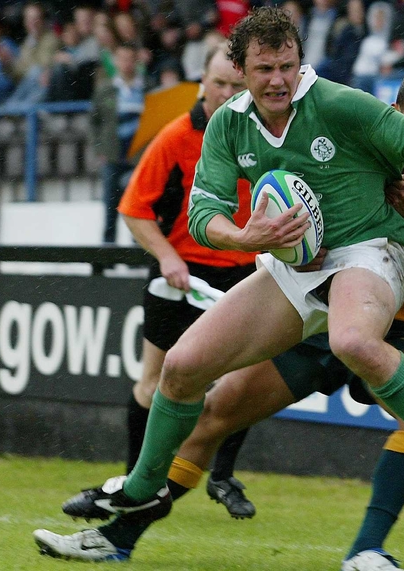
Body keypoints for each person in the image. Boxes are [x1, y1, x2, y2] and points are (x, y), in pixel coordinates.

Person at [33, 7, 404, 563]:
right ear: (242, 70)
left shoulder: (345, 106)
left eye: (288, 66)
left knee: (359, 343)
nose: (278, 79)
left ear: (302, 64)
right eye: (265, 68)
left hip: (369, 262)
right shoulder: (231, 123)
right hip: (293, 269)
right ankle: (135, 498)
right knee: (183, 370)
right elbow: (205, 215)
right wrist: (250, 235)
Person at [115, 42, 258, 518]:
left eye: (237, 86)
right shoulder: (175, 136)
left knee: (239, 385)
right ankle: (136, 481)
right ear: (201, 83)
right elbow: (134, 210)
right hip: (181, 275)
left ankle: (221, 475)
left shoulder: (265, 135)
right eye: (219, 83)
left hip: (243, 272)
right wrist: (167, 257)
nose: (227, 93)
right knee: (154, 382)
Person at [90, 43, 154, 243]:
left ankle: (138, 247)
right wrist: (99, 148)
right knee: (110, 204)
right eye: (122, 59)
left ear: (136, 61)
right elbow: (94, 121)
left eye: (129, 59)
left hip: (139, 155)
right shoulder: (106, 89)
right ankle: (108, 247)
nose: (126, 64)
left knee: (139, 204)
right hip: (113, 154)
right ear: (115, 61)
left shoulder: (147, 88)